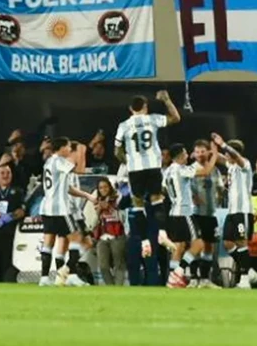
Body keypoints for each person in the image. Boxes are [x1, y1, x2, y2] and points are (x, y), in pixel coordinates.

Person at [112, 89, 180, 262]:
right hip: (153, 166)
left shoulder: (124, 125)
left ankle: (144, 243)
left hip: (135, 169)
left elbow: (117, 150)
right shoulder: (153, 119)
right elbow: (175, 118)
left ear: (130, 108)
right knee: (157, 199)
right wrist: (167, 100)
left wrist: (128, 162)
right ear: (146, 106)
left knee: (138, 204)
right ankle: (162, 234)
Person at [37, 137, 94, 287]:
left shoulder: (49, 162)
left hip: (47, 208)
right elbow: (79, 170)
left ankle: (44, 278)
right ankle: (68, 271)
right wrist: (81, 151)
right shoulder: (59, 161)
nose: (69, 149)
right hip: (60, 209)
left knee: (48, 243)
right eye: (68, 147)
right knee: (77, 237)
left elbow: (66, 187)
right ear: (61, 148)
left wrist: (86, 195)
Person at [163, 141, 219, 289]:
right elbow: (205, 172)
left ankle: (171, 278)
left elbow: (164, 189)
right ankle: (178, 273)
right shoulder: (181, 170)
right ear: (180, 155)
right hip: (184, 213)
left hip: (173, 213)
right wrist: (214, 155)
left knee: (179, 246)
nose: (188, 155)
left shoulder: (167, 171)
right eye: (186, 153)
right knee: (199, 244)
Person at [213, 133, 257, 289]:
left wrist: (223, 144)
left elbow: (235, 157)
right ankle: (249, 270)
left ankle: (245, 279)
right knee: (227, 243)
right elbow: (219, 158)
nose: (226, 156)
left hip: (243, 211)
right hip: (232, 212)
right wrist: (211, 148)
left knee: (241, 243)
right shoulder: (231, 166)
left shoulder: (244, 164)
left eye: (228, 153)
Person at [89, 178, 126, 286]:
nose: (103, 190)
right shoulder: (97, 202)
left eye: (105, 187)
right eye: (101, 188)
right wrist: (98, 211)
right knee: (103, 266)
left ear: (110, 187)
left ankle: (118, 287)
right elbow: (93, 224)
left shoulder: (118, 199)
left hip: (117, 235)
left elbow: (123, 218)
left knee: (118, 264)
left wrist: (110, 208)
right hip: (102, 237)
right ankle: (110, 287)